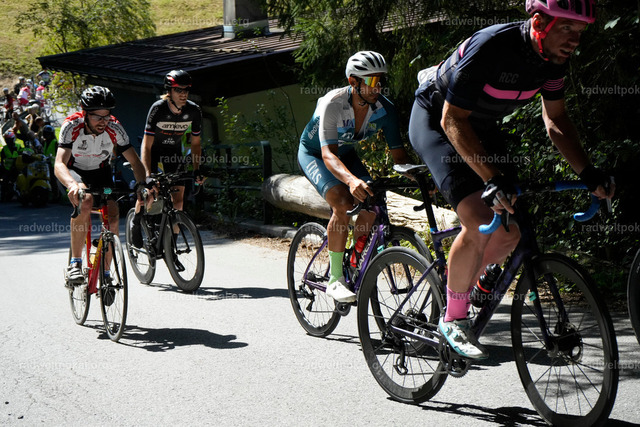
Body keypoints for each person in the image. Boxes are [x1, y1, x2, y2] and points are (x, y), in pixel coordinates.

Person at [408, 0, 614, 359]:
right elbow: (452, 120)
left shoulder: (552, 61)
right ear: (539, 22)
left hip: (481, 127)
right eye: (566, 27)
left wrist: (587, 172)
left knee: (511, 229)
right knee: (479, 217)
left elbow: (556, 120)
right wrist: (491, 178)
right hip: (438, 120)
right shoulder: (492, 45)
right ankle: (453, 318)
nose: (574, 40)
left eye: (580, 31)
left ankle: (469, 281)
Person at [298, 51, 412, 303]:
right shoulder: (333, 104)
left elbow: (399, 156)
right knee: (342, 203)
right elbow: (328, 155)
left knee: (372, 203)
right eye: (372, 81)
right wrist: (350, 181)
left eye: (381, 80)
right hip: (316, 154)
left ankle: (354, 260)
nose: (378, 87)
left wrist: (420, 176)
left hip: (345, 154)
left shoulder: (385, 109)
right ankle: (335, 279)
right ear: (353, 82)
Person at [55, 86, 146, 284]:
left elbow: (135, 161)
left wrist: (142, 185)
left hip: (101, 175)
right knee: (86, 200)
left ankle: (105, 274)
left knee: (113, 214)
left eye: (107, 116)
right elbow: (59, 163)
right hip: (75, 173)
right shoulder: (71, 126)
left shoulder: (115, 127)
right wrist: (72, 185)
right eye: (98, 117)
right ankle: (75, 264)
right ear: (85, 113)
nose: (103, 122)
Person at [129, 69, 203, 248]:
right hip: (153, 151)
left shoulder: (194, 110)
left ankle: (171, 247)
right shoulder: (158, 108)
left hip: (173, 153)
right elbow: (146, 146)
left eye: (186, 90)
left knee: (179, 201)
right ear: (169, 91)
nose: (183, 94)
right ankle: (136, 221)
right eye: (178, 90)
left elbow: (195, 144)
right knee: (148, 193)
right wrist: (147, 175)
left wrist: (197, 170)